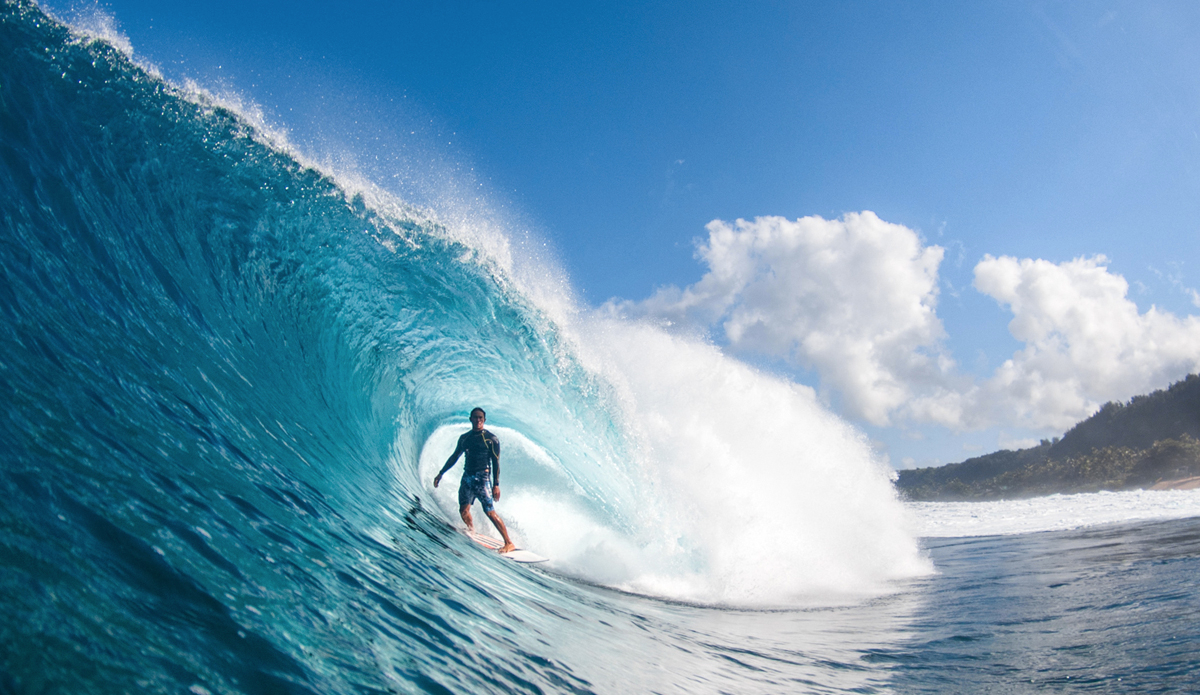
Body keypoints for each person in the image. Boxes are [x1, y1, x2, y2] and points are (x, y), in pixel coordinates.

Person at [433, 407, 516, 553]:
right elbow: (454, 457)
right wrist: (441, 473)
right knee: (463, 510)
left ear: (484, 420)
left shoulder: (491, 439)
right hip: (467, 478)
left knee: (490, 512)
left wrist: (496, 485)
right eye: (475, 417)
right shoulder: (464, 438)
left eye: (480, 418)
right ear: (470, 419)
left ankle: (508, 542)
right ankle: (471, 530)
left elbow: (496, 463)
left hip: (483, 479)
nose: (478, 420)